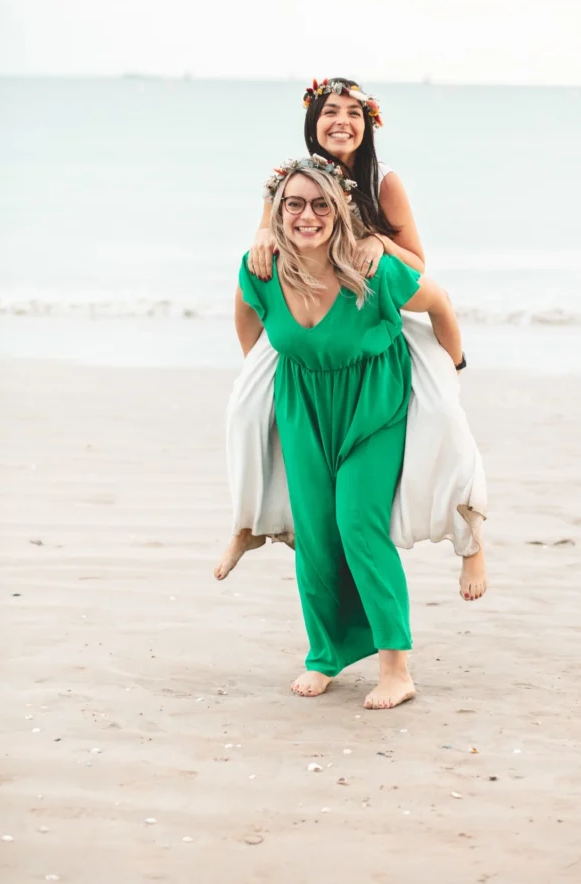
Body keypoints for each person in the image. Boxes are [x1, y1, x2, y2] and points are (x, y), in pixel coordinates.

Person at [216, 79, 488, 601]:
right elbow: (265, 241)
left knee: (444, 420)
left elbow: (418, 266)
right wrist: (264, 235)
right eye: (329, 112)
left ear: (368, 125)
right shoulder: (287, 182)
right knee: (246, 414)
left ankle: (470, 535)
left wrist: (376, 241)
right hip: (303, 316)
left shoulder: (384, 182)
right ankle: (250, 522)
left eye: (354, 114)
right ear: (311, 122)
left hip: (375, 310)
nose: (341, 121)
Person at [233, 156, 470, 708]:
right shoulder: (261, 269)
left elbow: (437, 301)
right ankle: (325, 655)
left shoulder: (376, 271)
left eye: (320, 204)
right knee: (314, 533)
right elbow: (247, 315)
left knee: (358, 525)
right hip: (304, 411)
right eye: (294, 204)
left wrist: (453, 373)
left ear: (340, 213)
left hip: (374, 409)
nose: (306, 215)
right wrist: (258, 380)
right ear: (278, 212)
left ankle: (396, 666)